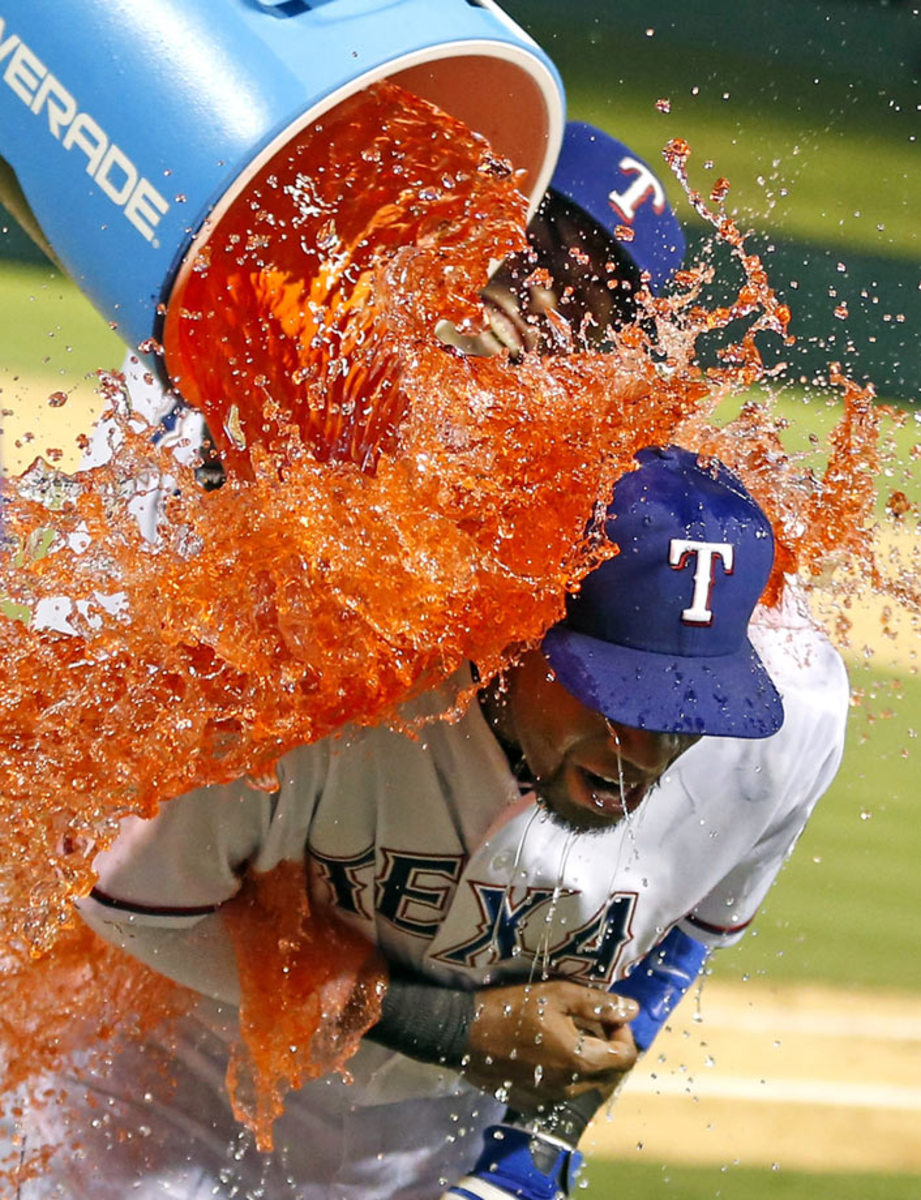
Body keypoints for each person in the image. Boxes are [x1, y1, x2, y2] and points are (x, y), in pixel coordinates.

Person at [18, 127, 849, 1200]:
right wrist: (451, 1024)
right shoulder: (278, 540)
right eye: (528, 251)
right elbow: (111, 862)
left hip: (415, 1147)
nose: (543, 309)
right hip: (140, 1084)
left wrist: (525, 1160)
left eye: (597, 306)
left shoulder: (746, 664)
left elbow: (676, 932)